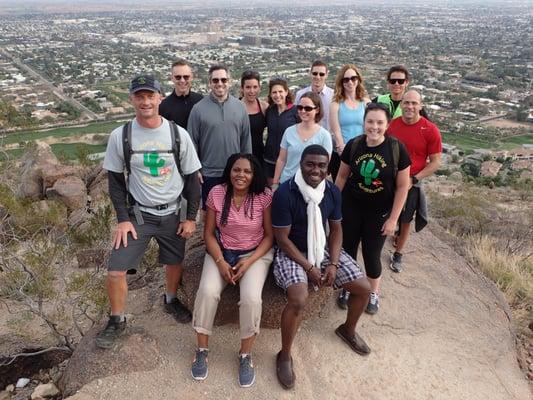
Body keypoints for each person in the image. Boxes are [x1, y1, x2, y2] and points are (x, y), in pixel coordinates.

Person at [96, 74, 202, 349]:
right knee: (116, 270)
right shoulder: (121, 136)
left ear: (160, 98)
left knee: (174, 260)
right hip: (139, 216)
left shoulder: (178, 134)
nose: (145, 101)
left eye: (150, 96)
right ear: (131, 99)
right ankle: (117, 319)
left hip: (172, 214)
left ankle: (170, 299)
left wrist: (191, 218)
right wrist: (122, 220)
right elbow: (116, 182)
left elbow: (192, 179)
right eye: (139, 96)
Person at [272, 145, 372, 390]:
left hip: (321, 248)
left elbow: (336, 229)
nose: (315, 170)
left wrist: (334, 264)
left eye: (321, 165)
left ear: (328, 168)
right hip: (293, 251)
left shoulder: (331, 192)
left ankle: (347, 330)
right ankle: (284, 354)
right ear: (301, 164)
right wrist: (309, 268)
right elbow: (282, 239)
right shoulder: (286, 193)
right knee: (298, 298)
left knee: (363, 288)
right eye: (310, 164)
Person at [191, 153, 274, 388]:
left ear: (254, 174)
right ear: (229, 170)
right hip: (222, 252)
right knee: (207, 291)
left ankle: (246, 355)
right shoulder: (217, 193)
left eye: (247, 171)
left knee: (250, 299)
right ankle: (201, 350)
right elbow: (208, 234)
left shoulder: (263, 197)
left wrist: (248, 263)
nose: (241, 175)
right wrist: (219, 262)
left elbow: (269, 237)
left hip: (254, 254)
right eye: (237, 170)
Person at [335, 103, 411, 313]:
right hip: (352, 206)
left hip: (379, 211)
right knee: (348, 250)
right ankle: (348, 286)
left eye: (379, 122)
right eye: (370, 121)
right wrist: (334, 205)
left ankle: (373, 292)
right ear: (364, 122)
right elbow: (341, 176)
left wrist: (394, 219)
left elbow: (403, 186)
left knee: (371, 253)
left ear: (387, 125)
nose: (374, 127)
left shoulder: (396, 149)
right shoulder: (355, 144)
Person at [387, 90, 442, 272]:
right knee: (383, 212)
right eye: (407, 103)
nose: (410, 107)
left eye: (414, 103)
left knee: (405, 219)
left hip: (412, 181)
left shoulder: (430, 130)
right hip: (390, 179)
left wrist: (415, 178)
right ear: (401, 104)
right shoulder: (392, 126)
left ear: (420, 105)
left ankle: (398, 254)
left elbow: (435, 163)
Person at [187, 64, 252, 209]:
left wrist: (247, 168)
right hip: (208, 174)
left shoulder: (240, 107)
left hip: (235, 172)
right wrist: (196, 170)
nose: (220, 84)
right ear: (209, 83)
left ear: (229, 81)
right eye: (215, 80)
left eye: (223, 80)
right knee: (210, 214)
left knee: (235, 211)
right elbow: (192, 142)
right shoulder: (198, 109)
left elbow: (246, 140)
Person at [272, 92, 332, 186]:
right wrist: (275, 183)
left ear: (317, 110)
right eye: (300, 107)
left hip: (311, 186)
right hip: (288, 183)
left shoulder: (325, 136)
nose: (303, 111)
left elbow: (324, 165)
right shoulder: (289, 131)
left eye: (307, 108)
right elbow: (281, 159)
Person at [329, 64, 370, 180]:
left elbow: (369, 128)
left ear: (358, 80)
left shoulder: (366, 103)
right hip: (343, 153)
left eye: (353, 78)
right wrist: (343, 150)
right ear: (341, 82)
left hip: (363, 152)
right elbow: (336, 130)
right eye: (346, 79)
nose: (350, 82)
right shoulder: (335, 104)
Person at [263, 77, 298, 185]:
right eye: (274, 92)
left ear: (286, 92)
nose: (277, 95)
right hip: (269, 159)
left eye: (280, 91)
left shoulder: (295, 111)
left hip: (288, 161)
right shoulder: (269, 111)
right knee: (271, 190)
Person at [159, 59, 203, 129]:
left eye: (186, 77)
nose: (182, 80)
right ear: (172, 78)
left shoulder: (201, 101)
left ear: (191, 77)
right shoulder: (163, 107)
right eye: (178, 77)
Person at [295, 60, 334, 130]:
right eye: (315, 73)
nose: (318, 77)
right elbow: (296, 117)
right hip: (305, 136)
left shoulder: (333, 96)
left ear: (326, 75)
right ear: (310, 74)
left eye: (321, 74)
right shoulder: (300, 95)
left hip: (328, 137)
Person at [240, 70, 268, 164]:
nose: (252, 91)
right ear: (242, 88)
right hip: (240, 156)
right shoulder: (235, 107)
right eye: (248, 87)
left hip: (259, 156)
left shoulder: (264, 107)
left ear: (259, 88)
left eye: (255, 87)